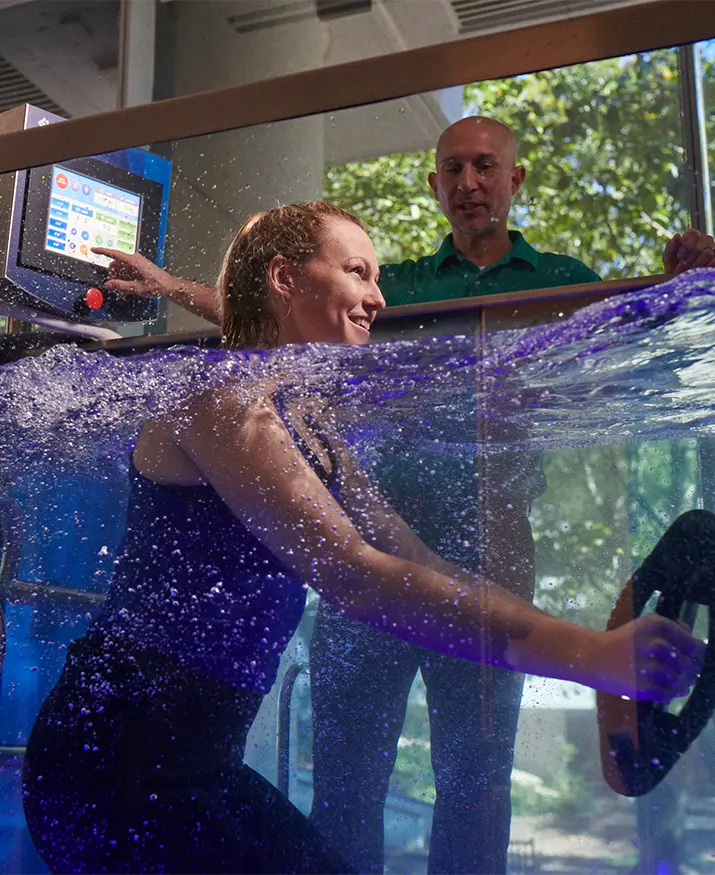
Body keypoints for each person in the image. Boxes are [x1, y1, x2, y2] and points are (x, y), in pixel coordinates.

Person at [90, 117, 715, 875]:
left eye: (486, 166)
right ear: (434, 184)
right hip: (131, 754)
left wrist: (679, 292)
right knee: (348, 770)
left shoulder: (558, 278)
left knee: (476, 772)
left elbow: (633, 351)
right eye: (452, 167)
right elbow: (275, 322)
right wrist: (169, 288)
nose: (469, 182)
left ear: (514, 180)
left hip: (480, 539)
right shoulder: (272, 386)